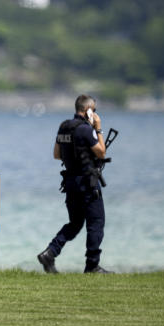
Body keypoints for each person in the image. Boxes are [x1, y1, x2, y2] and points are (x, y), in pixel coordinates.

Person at [38, 94, 110, 274]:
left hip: (70, 182)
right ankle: (92, 266)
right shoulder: (86, 129)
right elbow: (101, 152)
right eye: (95, 110)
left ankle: (50, 252)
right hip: (87, 183)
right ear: (89, 110)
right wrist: (99, 129)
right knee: (96, 222)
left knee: (75, 223)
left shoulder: (64, 127)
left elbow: (56, 154)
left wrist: (76, 156)